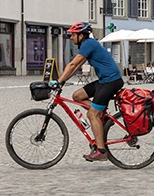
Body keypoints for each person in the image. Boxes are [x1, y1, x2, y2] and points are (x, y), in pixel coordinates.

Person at [53, 22, 124, 162]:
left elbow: (72, 64)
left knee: (92, 114)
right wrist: (62, 80)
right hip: (105, 80)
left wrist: (59, 82)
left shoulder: (88, 44)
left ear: (81, 35)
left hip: (111, 81)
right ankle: (103, 116)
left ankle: (101, 151)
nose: (71, 38)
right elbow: (75, 67)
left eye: (73, 35)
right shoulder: (87, 45)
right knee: (77, 96)